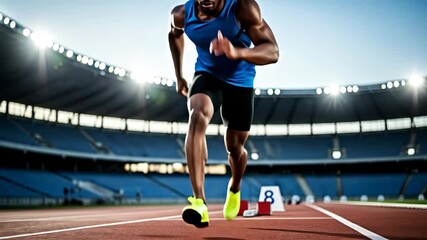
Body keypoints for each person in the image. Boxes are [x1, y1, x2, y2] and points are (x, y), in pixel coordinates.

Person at [168, 0, 279, 228]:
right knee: (197, 115)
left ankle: (235, 187)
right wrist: (179, 74)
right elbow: (174, 35)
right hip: (207, 74)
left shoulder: (242, 8)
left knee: (235, 149)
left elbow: (272, 51)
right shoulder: (181, 14)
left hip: (240, 82)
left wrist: (235, 51)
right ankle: (199, 202)